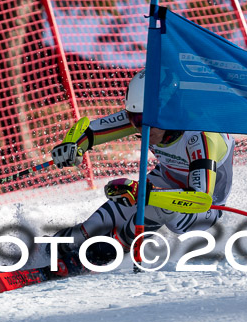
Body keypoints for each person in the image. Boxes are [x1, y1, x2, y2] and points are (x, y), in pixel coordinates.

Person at [49, 69, 235, 265]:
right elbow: (89, 132)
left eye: (146, 121)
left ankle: (94, 257)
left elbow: (200, 199)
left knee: (155, 207)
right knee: (93, 225)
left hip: (202, 208)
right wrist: (72, 146)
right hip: (165, 181)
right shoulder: (148, 115)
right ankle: (48, 251)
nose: (141, 127)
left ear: (170, 113)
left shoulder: (202, 137)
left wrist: (145, 193)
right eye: (135, 119)